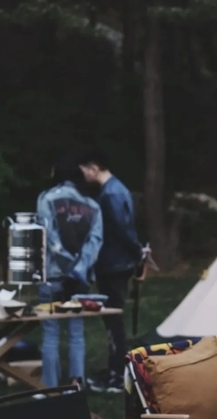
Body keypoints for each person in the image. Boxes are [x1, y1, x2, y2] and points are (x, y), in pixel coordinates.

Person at [78, 149, 144, 393]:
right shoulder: (115, 189)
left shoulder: (111, 193)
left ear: (94, 168)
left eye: (84, 169)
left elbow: (123, 229)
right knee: (112, 319)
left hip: (114, 264)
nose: (83, 174)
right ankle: (116, 369)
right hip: (115, 262)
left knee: (114, 320)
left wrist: (137, 253)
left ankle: (119, 374)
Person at [37, 156, 103, 388]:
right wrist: (79, 268)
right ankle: (77, 384)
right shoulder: (92, 205)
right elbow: (95, 241)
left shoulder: (46, 199)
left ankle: (50, 387)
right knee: (76, 332)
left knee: (51, 332)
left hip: (52, 276)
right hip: (80, 279)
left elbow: (47, 237)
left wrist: (65, 264)